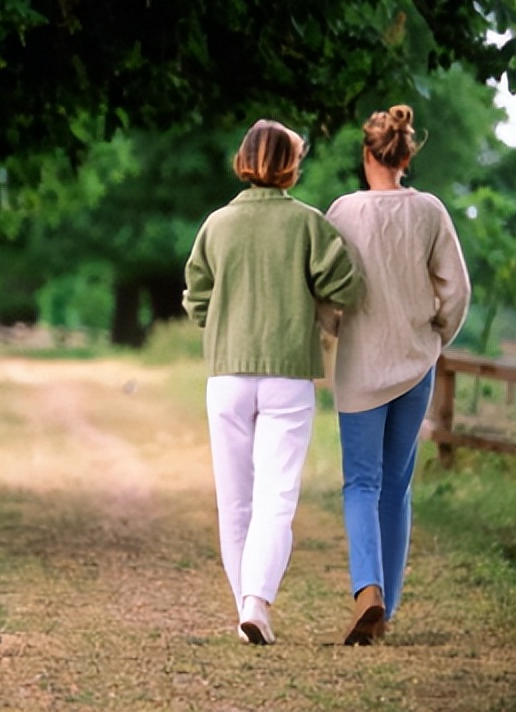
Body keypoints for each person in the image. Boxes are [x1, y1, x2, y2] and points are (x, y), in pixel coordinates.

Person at [183, 119, 362, 645]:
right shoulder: (308, 224)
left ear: (244, 159)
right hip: (287, 373)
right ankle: (256, 603)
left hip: (227, 373)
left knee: (234, 499)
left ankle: (248, 608)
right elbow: (346, 285)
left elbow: (197, 297)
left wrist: (221, 319)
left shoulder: (217, 224)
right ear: (291, 164)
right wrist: (311, 303)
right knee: (276, 495)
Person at [322, 104, 471, 645]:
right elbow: (457, 291)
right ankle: (388, 608)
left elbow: (324, 289)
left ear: (368, 156)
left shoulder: (341, 212)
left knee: (360, 482)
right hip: (414, 367)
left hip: (360, 367)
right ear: (407, 155)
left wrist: (339, 327)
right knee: (396, 486)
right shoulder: (430, 211)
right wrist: (434, 337)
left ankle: (369, 591)